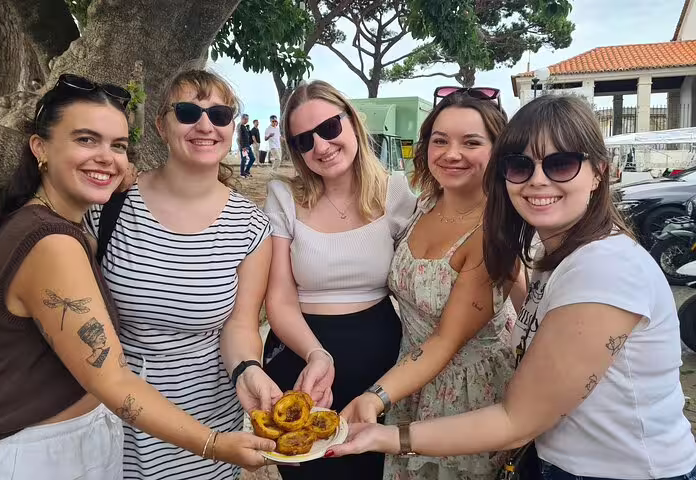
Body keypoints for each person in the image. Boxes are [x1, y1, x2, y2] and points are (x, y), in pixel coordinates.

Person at [327, 95, 696, 480]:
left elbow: (516, 418)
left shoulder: (606, 270)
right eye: (520, 165)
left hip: (625, 471)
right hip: (560, 459)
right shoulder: (552, 253)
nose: (538, 179)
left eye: (561, 163)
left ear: (599, 172)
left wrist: (386, 437)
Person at [0, 74, 275, 480]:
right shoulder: (67, 231)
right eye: (85, 140)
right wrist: (215, 444)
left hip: (113, 429)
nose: (105, 157)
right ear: (40, 148)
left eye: (116, 146)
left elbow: (241, 322)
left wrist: (247, 370)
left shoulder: (64, 217)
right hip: (48, 444)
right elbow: (112, 377)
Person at [86, 68, 281, 480]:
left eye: (221, 115)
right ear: (161, 124)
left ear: (233, 127)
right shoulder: (108, 206)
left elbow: (241, 324)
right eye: (189, 111)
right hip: (112, 415)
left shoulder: (250, 226)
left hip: (208, 427)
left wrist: (248, 369)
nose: (205, 125)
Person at [341, 88, 518, 480]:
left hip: (466, 391)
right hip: (411, 375)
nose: (451, 153)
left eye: (471, 142)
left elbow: (445, 341)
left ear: (498, 150)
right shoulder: (424, 203)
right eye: (440, 140)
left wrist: (375, 395)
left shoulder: (492, 234)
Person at [262, 80, 418, 480]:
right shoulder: (284, 197)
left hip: (379, 359)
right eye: (303, 141)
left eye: (329, 128)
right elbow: (278, 299)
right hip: (300, 355)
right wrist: (317, 353)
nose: (321, 146)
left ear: (352, 122)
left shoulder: (397, 191)